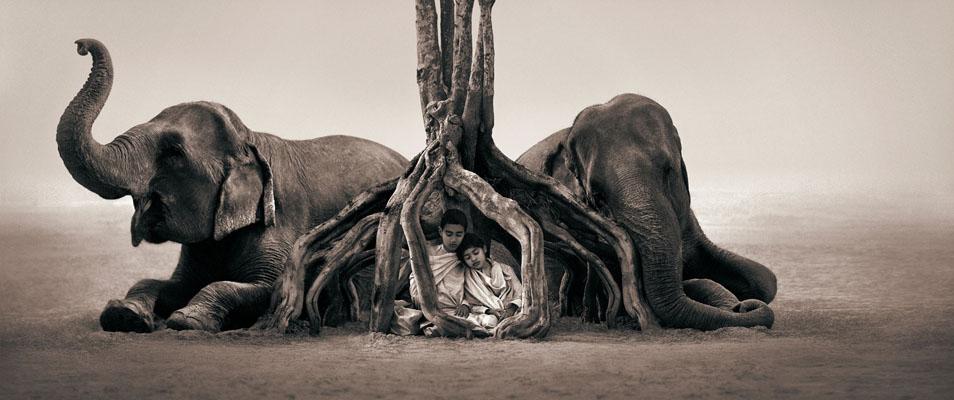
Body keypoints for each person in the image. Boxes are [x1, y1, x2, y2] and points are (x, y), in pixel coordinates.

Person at [392, 209, 471, 336]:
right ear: (441, 231)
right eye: (449, 234)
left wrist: (465, 305)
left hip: (454, 308)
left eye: (459, 234)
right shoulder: (428, 253)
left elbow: (472, 286)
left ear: (464, 234)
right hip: (426, 305)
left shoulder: (466, 257)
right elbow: (414, 277)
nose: (454, 240)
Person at [456, 233, 523, 329]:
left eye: (476, 253)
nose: (473, 259)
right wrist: (488, 310)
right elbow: (472, 303)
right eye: (467, 257)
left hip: (512, 311)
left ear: (484, 249)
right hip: (489, 314)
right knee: (488, 321)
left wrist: (512, 308)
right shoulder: (468, 277)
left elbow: (520, 293)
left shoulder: (506, 269)